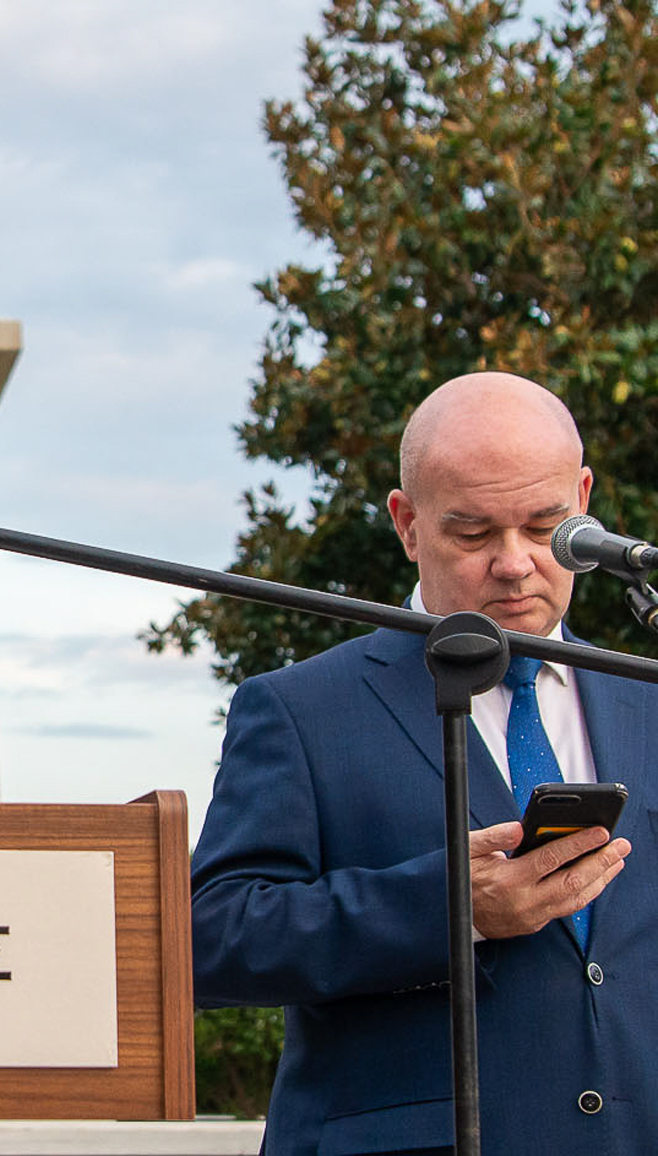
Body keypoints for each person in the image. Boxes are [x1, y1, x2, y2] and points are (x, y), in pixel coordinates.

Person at [192, 372, 655, 1154]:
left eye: (546, 527)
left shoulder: (647, 696)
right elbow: (211, 942)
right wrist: (448, 911)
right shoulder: (300, 709)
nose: (515, 563)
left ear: (584, 498)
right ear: (407, 525)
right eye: (473, 534)